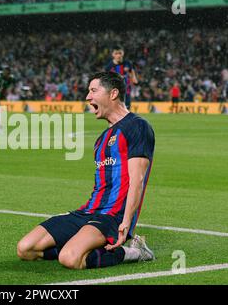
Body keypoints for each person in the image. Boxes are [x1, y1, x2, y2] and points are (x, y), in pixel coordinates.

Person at [17, 71, 155, 270]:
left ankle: (135, 251)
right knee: (25, 249)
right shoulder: (101, 140)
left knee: (70, 258)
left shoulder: (137, 126)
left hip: (112, 216)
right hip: (87, 212)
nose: (88, 97)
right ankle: (79, 243)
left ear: (113, 93)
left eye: (93, 90)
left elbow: (137, 179)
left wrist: (126, 223)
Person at [105, 46, 138, 110]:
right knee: (116, 106)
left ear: (123, 53)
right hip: (114, 88)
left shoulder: (127, 63)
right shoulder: (109, 66)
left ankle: (126, 116)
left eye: (120, 53)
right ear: (113, 54)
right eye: (116, 53)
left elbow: (132, 71)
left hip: (126, 87)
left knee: (127, 106)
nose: (118, 55)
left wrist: (134, 79)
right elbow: (106, 78)